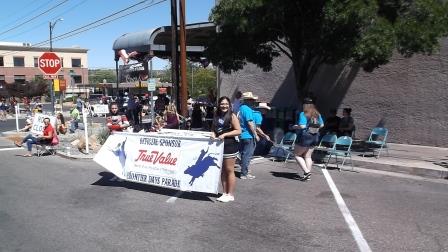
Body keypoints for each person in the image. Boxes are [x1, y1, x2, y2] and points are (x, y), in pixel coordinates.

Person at [211, 96, 241, 202]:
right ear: (219, 105)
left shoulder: (232, 116)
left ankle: (230, 194)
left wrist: (225, 134)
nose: (224, 106)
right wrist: (213, 134)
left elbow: (238, 130)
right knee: (222, 171)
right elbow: (214, 129)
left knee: (229, 170)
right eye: (222, 104)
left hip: (230, 145)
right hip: (219, 147)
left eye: (226, 104)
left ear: (229, 105)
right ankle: (224, 193)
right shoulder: (216, 115)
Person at [292, 102, 324, 181]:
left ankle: (306, 172)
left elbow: (302, 126)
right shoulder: (317, 114)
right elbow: (322, 125)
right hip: (315, 136)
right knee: (308, 156)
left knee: (297, 155)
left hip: (305, 136)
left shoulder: (303, 114)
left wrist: (295, 126)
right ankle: (308, 175)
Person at [238, 92, 259, 179]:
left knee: (243, 154)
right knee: (247, 154)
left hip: (242, 134)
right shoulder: (247, 109)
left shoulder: (241, 108)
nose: (253, 101)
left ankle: (244, 170)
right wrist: (255, 134)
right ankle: (244, 173)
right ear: (248, 100)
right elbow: (250, 123)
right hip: (248, 135)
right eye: (252, 100)